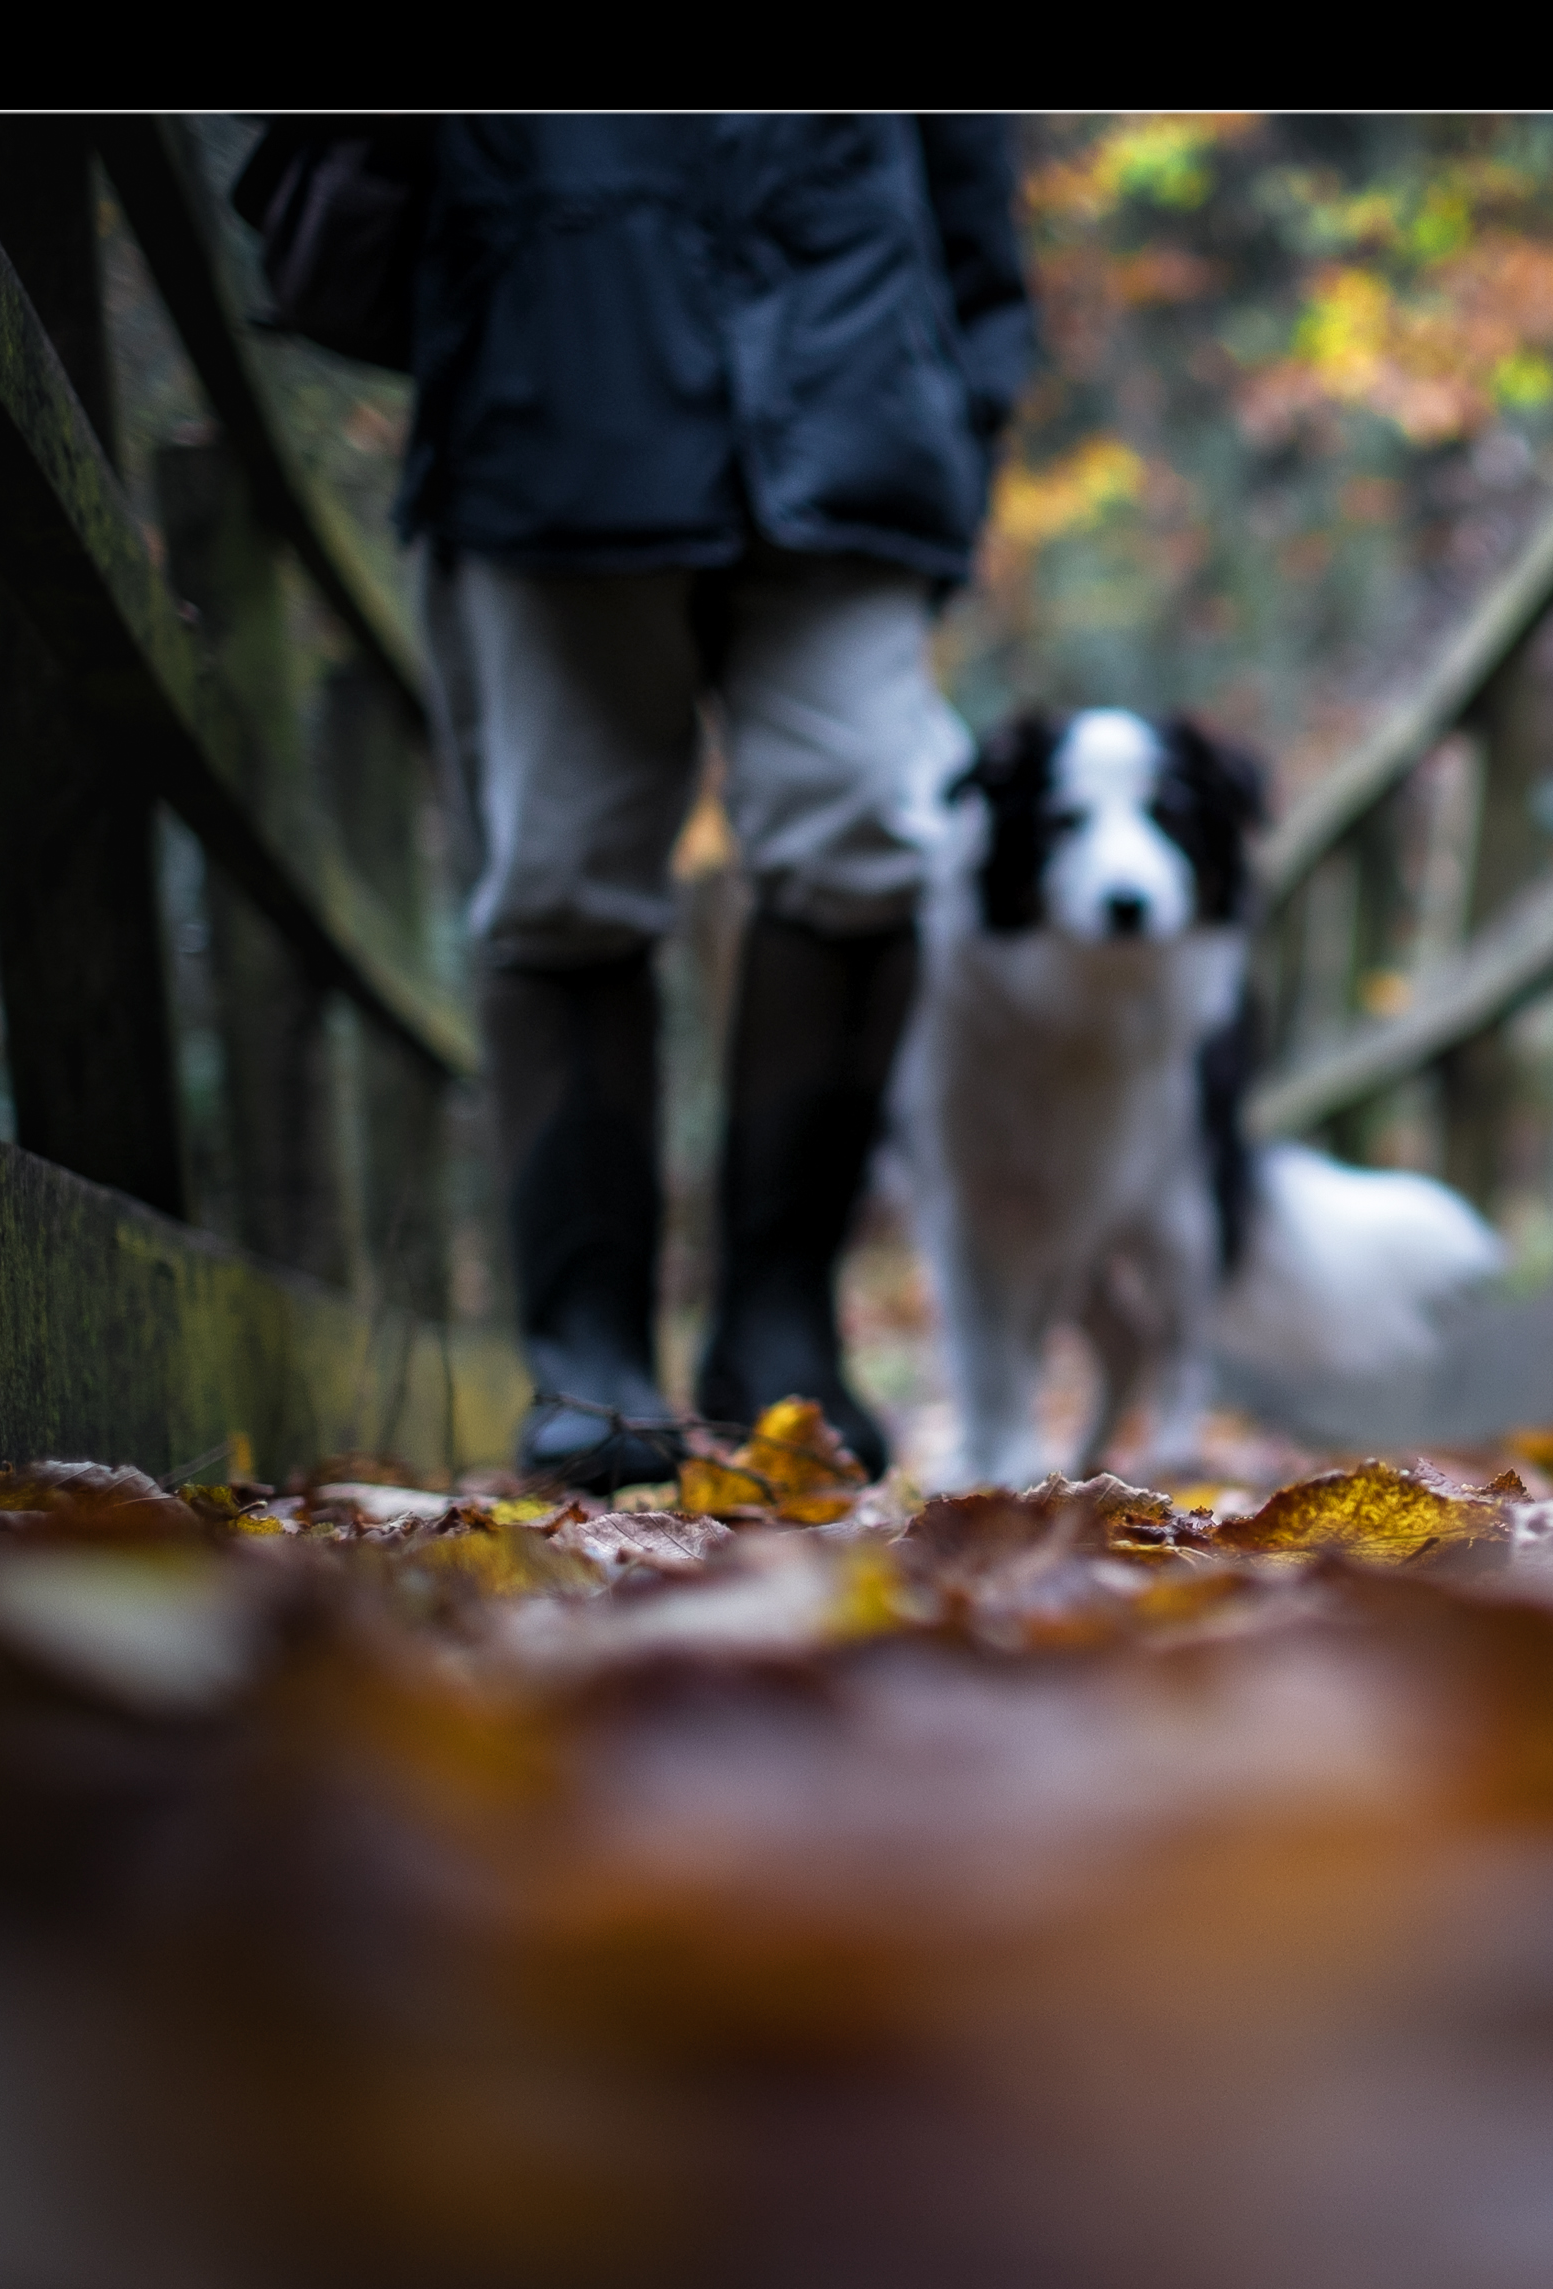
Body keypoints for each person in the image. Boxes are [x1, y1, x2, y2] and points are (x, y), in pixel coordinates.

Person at [389, 117, 1032, 1486]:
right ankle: (588, 1357)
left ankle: (780, 1329)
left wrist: (965, 405)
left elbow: (970, 166)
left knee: (868, 830)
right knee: (562, 872)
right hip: (550, 398)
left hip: (855, 397)